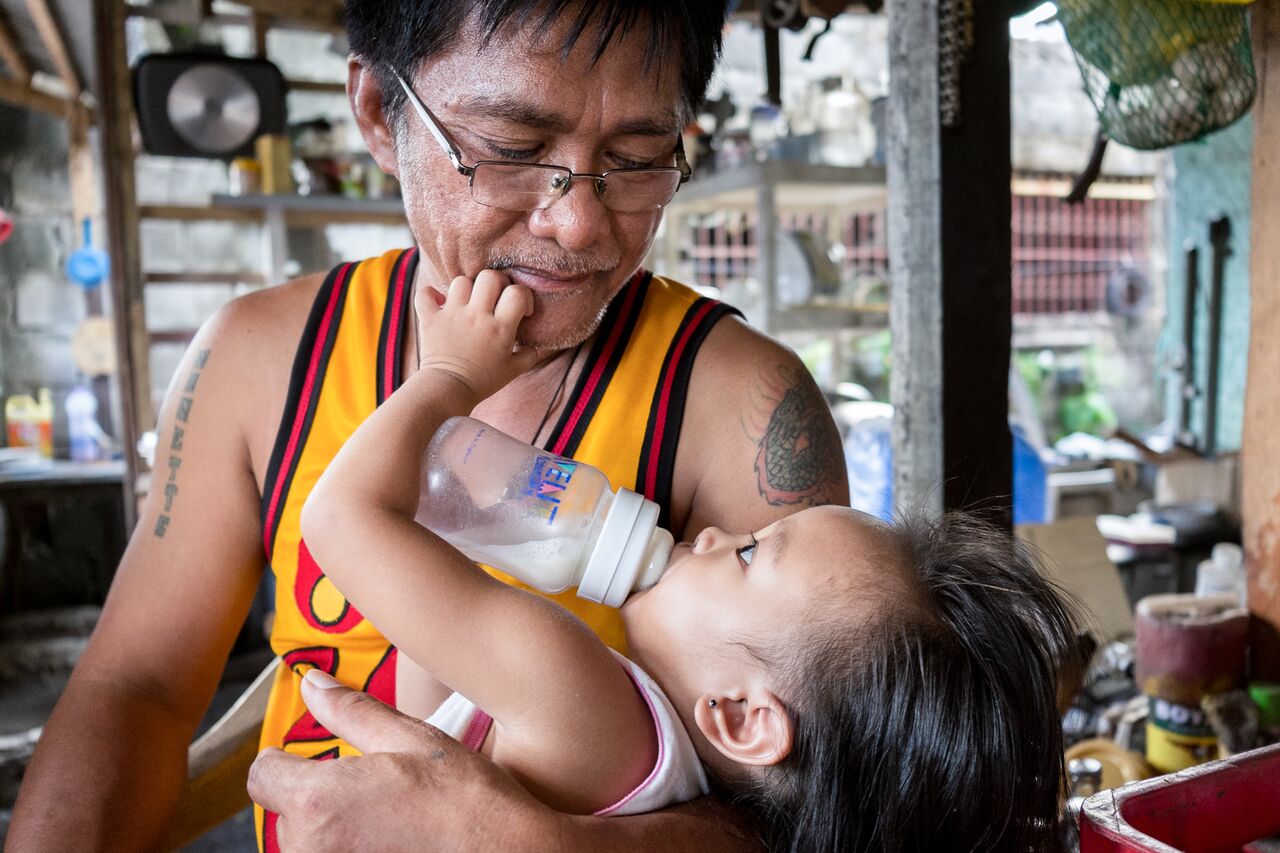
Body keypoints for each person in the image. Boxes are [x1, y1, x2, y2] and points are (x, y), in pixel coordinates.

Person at [8, 2, 849, 850]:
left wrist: (532, 841)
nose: (579, 222)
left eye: (634, 160)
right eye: (513, 150)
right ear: (379, 111)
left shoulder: (739, 402)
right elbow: (138, 687)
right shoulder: (261, 357)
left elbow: (818, 808)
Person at [294, 271, 1081, 851]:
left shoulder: (579, 697)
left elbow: (336, 518)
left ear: (740, 717)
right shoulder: (663, 772)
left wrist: (451, 374)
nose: (705, 535)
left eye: (745, 553)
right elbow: (425, 658)